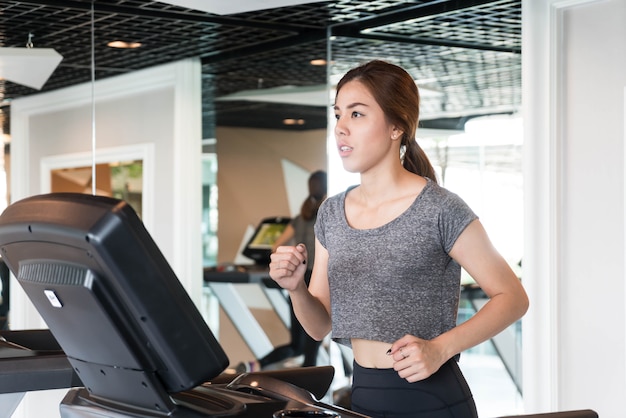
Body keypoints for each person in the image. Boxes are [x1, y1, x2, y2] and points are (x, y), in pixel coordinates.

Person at [269, 60, 529, 418]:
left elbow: (512, 298)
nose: (341, 128)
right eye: (338, 114)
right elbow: (319, 326)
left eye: (357, 114)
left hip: (431, 400)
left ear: (396, 127)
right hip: (363, 397)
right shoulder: (331, 213)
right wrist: (295, 287)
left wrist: (440, 348)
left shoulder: (439, 208)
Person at [259, 170, 327, 368]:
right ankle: (313, 394)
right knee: (312, 345)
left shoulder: (300, 217)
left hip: (300, 279)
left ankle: (256, 364)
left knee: (297, 345)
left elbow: (275, 246)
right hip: (319, 279)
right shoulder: (327, 216)